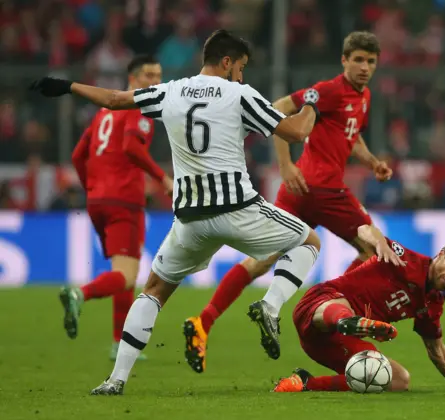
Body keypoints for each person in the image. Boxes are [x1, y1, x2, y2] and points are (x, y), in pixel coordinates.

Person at [30, 29, 324, 395]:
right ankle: (270, 304)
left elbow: (115, 98)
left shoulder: (170, 90)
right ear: (227, 62)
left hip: (190, 220)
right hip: (238, 209)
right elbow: (296, 132)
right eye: (241, 67)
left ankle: (115, 380)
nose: (243, 76)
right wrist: (312, 104)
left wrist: (69, 86)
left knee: (153, 290)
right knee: (308, 241)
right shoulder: (240, 94)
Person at [182, 31, 393, 373]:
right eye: (358, 59)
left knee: (262, 260)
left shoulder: (363, 96)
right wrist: (285, 163)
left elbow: (349, 135)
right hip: (325, 190)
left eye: (370, 61)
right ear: (344, 60)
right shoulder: (328, 90)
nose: (364, 67)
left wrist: (371, 162)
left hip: (298, 191)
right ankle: (331, 310)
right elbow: (279, 107)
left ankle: (204, 321)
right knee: (374, 248)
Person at [272, 224, 445, 392]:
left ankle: (305, 383)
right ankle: (348, 321)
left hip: (328, 344)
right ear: (441, 253)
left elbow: (437, 351)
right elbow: (364, 229)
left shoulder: (432, 303)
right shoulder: (404, 259)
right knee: (342, 308)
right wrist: (380, 244)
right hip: (318, 308)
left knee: (397, 380)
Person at [58, 55, 171, 361]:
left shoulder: (105, 110)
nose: (156, 82)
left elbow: (78, 155)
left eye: (159, 75)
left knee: (124, 270)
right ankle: (79, 294)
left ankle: (118, 342)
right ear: (132, 79)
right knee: (126, 274)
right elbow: (131, 147)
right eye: (149, 75)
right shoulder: (138, 106)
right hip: (124, 200)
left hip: (98, 201)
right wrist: (163, 178)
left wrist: (92, 187)